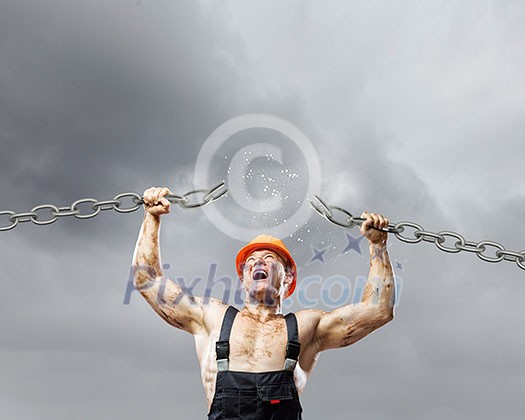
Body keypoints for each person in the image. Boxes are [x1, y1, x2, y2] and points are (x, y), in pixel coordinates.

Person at [132, 187, 395, 419]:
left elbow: (378, 310)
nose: (259, 262)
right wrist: (151, 218)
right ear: (243, 278)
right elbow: (147, 279)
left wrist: (378, 246)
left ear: (288, 276)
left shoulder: (307, 326)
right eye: (251, 261)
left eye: (270, 258)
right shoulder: (211, 317)